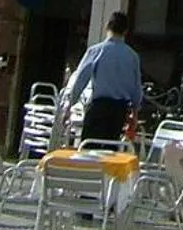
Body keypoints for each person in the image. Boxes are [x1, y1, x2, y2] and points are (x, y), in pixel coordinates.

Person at [59, 11, 145, 146]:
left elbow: (81, 79)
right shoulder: (132, 56)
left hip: (99, 106)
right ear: (126, 31)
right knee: (110, 149)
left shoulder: (96, 51)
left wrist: (69, 105)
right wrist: (135, 113)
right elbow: (136, 88)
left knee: (88, 147)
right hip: (119, 111)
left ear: (107, 26)